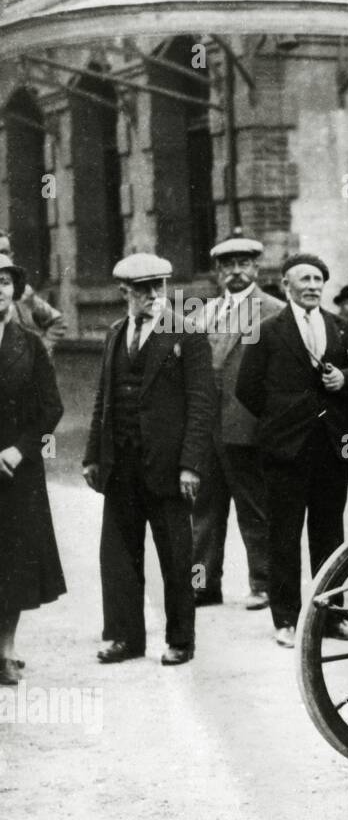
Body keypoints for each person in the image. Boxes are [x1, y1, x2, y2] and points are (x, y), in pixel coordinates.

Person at [83, 253, 216, 666]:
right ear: (125, 292)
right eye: (143, 289)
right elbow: (103, 400)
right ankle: (125, 638)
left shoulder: (187, 334)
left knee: (176, 557)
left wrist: (191, 465)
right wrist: (92, 457)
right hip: (120, 466)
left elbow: (201, 405)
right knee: (119, 556)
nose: (153, 296)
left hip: (167, 468)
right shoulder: (115, 334)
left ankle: (181, 640)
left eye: (159, 287)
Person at [235, 253, 348, 648]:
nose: (313, 285)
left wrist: (344, 378)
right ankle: (286, 620)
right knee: (284, 534)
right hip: (286, 450)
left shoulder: (341, 328)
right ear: (286, 286)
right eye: (304, 279)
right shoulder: (268, 330)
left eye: (318, 279)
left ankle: (331, 617)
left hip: (332, 447)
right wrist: (281, 420)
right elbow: (247, 388)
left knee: (329, 534)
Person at [190, 232, 281, 611]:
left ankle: (264, 584)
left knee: (255, 510)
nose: (236, 272)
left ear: (256, 268)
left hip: (249, 426)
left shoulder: (274, 311)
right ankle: (203, 585)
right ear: (217, 272)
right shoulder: (202, 313)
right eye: (228, 266)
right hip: (207, 428)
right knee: (203, 512)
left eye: (244, 264)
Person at [0, 254, 66, 684]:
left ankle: (5, 650)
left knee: (14, 565)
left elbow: (51, 408)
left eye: (4, 281)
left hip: (14, 473)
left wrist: (21, 450)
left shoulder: (29, 344)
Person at [0, 230, 67, 353]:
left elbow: (57, 323)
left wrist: (39, 352)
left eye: (4, 252)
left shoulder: (23, 292)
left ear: (11, 256)